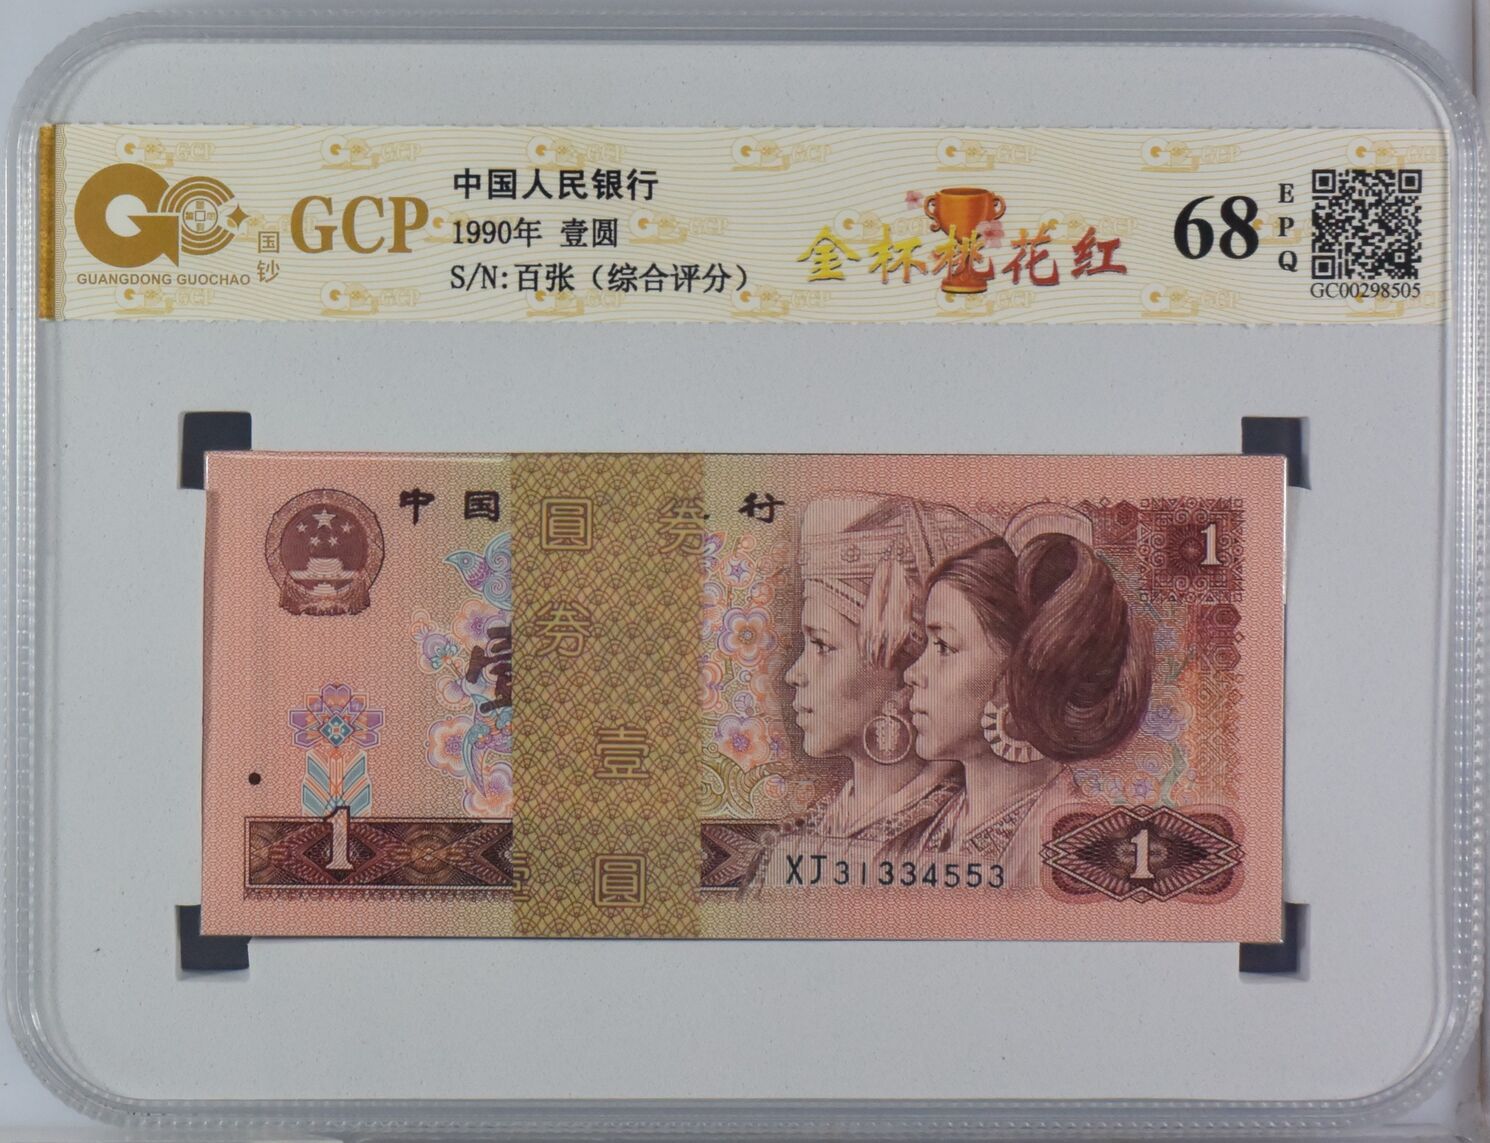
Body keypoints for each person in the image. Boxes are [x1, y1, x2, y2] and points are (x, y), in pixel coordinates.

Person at [903, 503, 1153, 885]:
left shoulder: (1083, 854)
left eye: (944, 647)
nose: (912, 673)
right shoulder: (916, 836)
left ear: (1020, 673)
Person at [780, 495, 991, 848]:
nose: (794, 674)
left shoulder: (960, 838)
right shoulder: (816, 828)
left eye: (822, 645)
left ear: (905, 673)